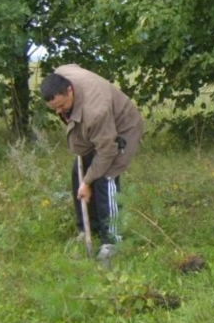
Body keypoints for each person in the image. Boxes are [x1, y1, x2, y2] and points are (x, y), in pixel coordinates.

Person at [39, 64, 144, 263]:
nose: (59, 112)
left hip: (121, 129)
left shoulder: (95, 111)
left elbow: (107, 151)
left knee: (106, 177)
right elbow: (70, 67)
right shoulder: (62, 75)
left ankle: (112, 240)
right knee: (77, 174)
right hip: (94, 131)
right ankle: (88, 229)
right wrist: (84, 181)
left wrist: (88, 183)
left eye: (62, 106)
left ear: (69, 90)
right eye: (54, 109)